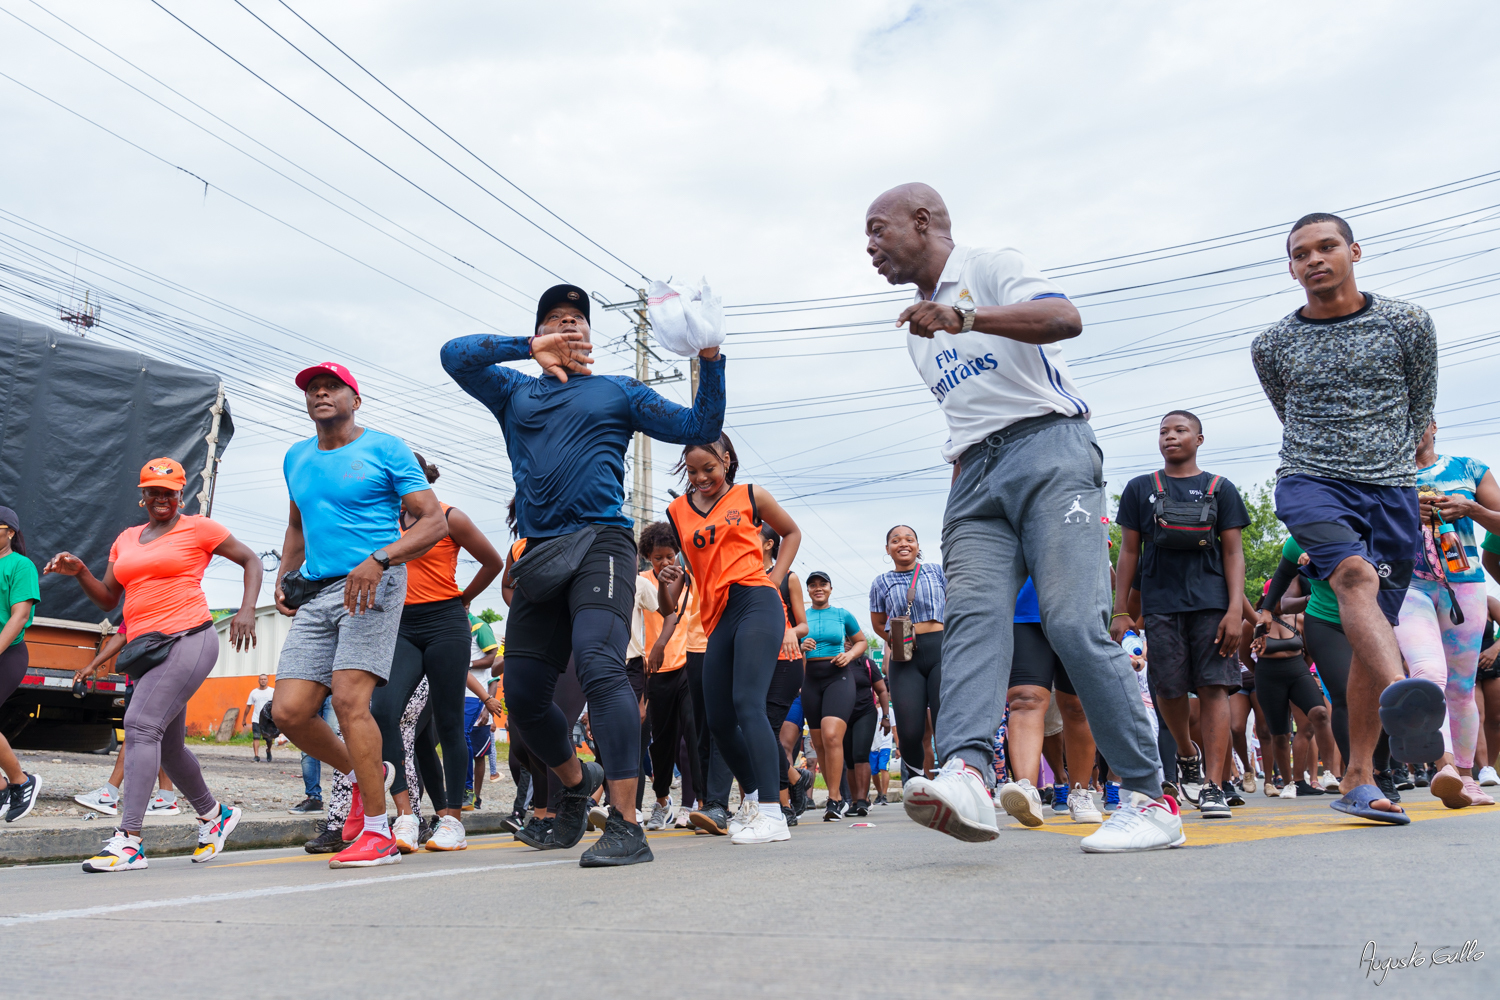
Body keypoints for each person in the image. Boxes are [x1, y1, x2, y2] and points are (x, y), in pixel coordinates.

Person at [864, 183, 1178, 853]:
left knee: (1070, 622)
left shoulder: (987, 267)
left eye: (878, 230)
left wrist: (967, 320)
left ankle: (1153, 798)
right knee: (974, 616)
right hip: (974, 478)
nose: (869, 247)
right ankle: (969, 773)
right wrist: (958, 508)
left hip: (1050, 451)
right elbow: (964, 420)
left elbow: (1064, 318)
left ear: (922, 222)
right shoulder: (917, 334)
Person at [443, 284, 724, 867]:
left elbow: (703, 421)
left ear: (592, 337)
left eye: (578, 320)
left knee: (600, 663)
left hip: (602, 542)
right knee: (521, 698)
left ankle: (625, 823)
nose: (569, 326)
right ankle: (577, 783)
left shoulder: (617, 392)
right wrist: (527, 347)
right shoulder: (512, 390)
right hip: (540, 554)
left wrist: (710, 358)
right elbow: (454, 354)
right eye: (555, 319)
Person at [1251, 212, 1444, 825]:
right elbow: (1289, 409)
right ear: (1291, 268)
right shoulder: (1273, 343)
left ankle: (1359, 776)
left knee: (1371, 632)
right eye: (1300, 253)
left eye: (1326, 247)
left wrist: (1393, 459)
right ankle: (1407, 699)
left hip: (1390, 491)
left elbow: (1421, 407)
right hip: (1310, 480)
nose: (1314, 259)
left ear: (1354, 251)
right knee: (1353, 579)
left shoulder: (1408, 323)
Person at [270, 362, 449, 869]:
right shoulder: (296, 457)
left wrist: (381, 558)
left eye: (332, 387)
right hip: (319, 588)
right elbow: (296, 526)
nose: (320, 394)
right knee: (289, 712)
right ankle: (375, 770)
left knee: (350, 701)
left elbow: (432, 522)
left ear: (355, 399)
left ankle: (377, 832)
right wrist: (285, 578)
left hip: (375, 582)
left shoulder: (386, 448)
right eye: (312, 389)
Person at [45, 458, 261, 871]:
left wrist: (246, 609)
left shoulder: (200, 528)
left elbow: (251, 560)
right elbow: (110, 599)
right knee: (168, 746)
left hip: (190, 638)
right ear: (142, 496)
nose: (161, 498)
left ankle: (128, 840)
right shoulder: (126, 538)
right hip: (146, 649)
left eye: (169, 492)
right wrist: (80, 572)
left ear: (181, 495)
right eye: (152, 491)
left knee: (142, 727)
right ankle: (215, 816)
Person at [658, 433, 802, 846]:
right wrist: (671, 580)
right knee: (718, 720)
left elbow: (791, 532)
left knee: (747, 704)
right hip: (717, 615)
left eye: (710, 468)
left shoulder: (751, 495)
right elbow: (677, 593)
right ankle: (755, 801)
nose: (702, 477)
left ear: (726, 460)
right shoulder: (677, 511)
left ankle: (774, 814)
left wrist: (773, 580)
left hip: (757, 601)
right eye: (693, 471)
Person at [1111, 411, 1250, 820]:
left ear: (1199, 439)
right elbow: (1129, 553)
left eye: (1180, 430)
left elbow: (1233, 553)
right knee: (1168, 689)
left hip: (1212, 604)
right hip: (1161, 604)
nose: (1170, 437)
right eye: (1163, 432)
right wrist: (1122, 610)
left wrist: (1233, 611)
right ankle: (1186, 754)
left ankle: (1213, 785)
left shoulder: (1220, 489)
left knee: (1214, 689)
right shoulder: (1141, 489)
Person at [371, 449, 504, 853]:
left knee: (448, 721)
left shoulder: (449, 517)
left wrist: (464, 598)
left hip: (446, 622)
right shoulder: (381, 520)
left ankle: (452, 821)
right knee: (383, 712)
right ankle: (406, 816)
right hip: (402, 626)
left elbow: (492, 562)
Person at [1391, 422, 1498, 808]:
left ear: (1434, 426)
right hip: (1409, 585)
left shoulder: (1470, 468)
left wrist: (1472, 508)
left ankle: (1467, 779)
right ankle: (1446, 766)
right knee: (1428, 673)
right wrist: (1403, 511)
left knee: (1461, 687)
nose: (1412, 426)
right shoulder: (1386, 475)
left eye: (1419, 418)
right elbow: (1365, 529)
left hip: (1465, 584)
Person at [998, 578, 1103, 826]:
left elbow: (1099, 563)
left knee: (1077, 705)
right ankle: (1026, 789)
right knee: (1024, 699)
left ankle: (1079, 793)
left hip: (1076, 610)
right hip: (1023, 613)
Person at [637, 522, 704, 832]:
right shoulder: (640, 583)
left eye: (670, 556)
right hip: (654, 670)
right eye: (658, 558)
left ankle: (699, 804)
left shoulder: (691, 581)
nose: (665, 563)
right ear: (648, 557)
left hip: (688, 666)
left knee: (692, 736)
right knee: (661, 744)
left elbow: (682, 617)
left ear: (678, 554)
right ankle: (663, 801)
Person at [868, 525, 945, 786]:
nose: (903, 543)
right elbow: (879, 623)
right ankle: (915, 784)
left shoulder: (936, 571)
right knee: (910, 730)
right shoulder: (881, 582)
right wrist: (896, 639)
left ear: (918, 546)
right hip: (905, 658)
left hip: (941, 649)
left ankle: (953, 781)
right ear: (888, 549)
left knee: (944, 722)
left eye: (909, 539)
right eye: (895, 540)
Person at [798, 569, 866, 820]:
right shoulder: (800, 616)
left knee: (831, 735)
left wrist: (849, 655)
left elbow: (861, 642)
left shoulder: (841, 615)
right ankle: (837, 798)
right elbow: (786, 643)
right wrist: (799, 644)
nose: (818, 588)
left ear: (830, 588)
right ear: (807, 590)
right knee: (819, 745)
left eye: (823, 584)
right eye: (812, 585)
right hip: (810, 679)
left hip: (838, 675)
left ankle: (834, 799)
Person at [762, 525, 809, 822]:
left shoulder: (788, 578)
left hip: (786, 662)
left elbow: (803, 625)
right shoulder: (746, 579)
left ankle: (783, 804)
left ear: (768, 544)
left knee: (767, 728)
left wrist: (791, 630)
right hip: (758, 665)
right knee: (761, 731)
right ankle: (794, 779)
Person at [0, 506, 42, 823]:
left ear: (10, 532)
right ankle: (3, 786)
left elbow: (20, 615)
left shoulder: (20, 565)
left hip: (8, 654)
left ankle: (21, 781)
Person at [245, 675, 275, 762]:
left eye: (264, 679)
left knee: (269, 739)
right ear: (258, 681)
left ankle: (268, 750)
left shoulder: (272, 691)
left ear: (267, 681)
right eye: (261, 679)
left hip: (268, 719)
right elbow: (248, 705)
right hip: (256, 719)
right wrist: (244, 718)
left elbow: (277, 704)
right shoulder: (254, 692)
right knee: (256, 737)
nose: (263, 681)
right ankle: (256, 755)